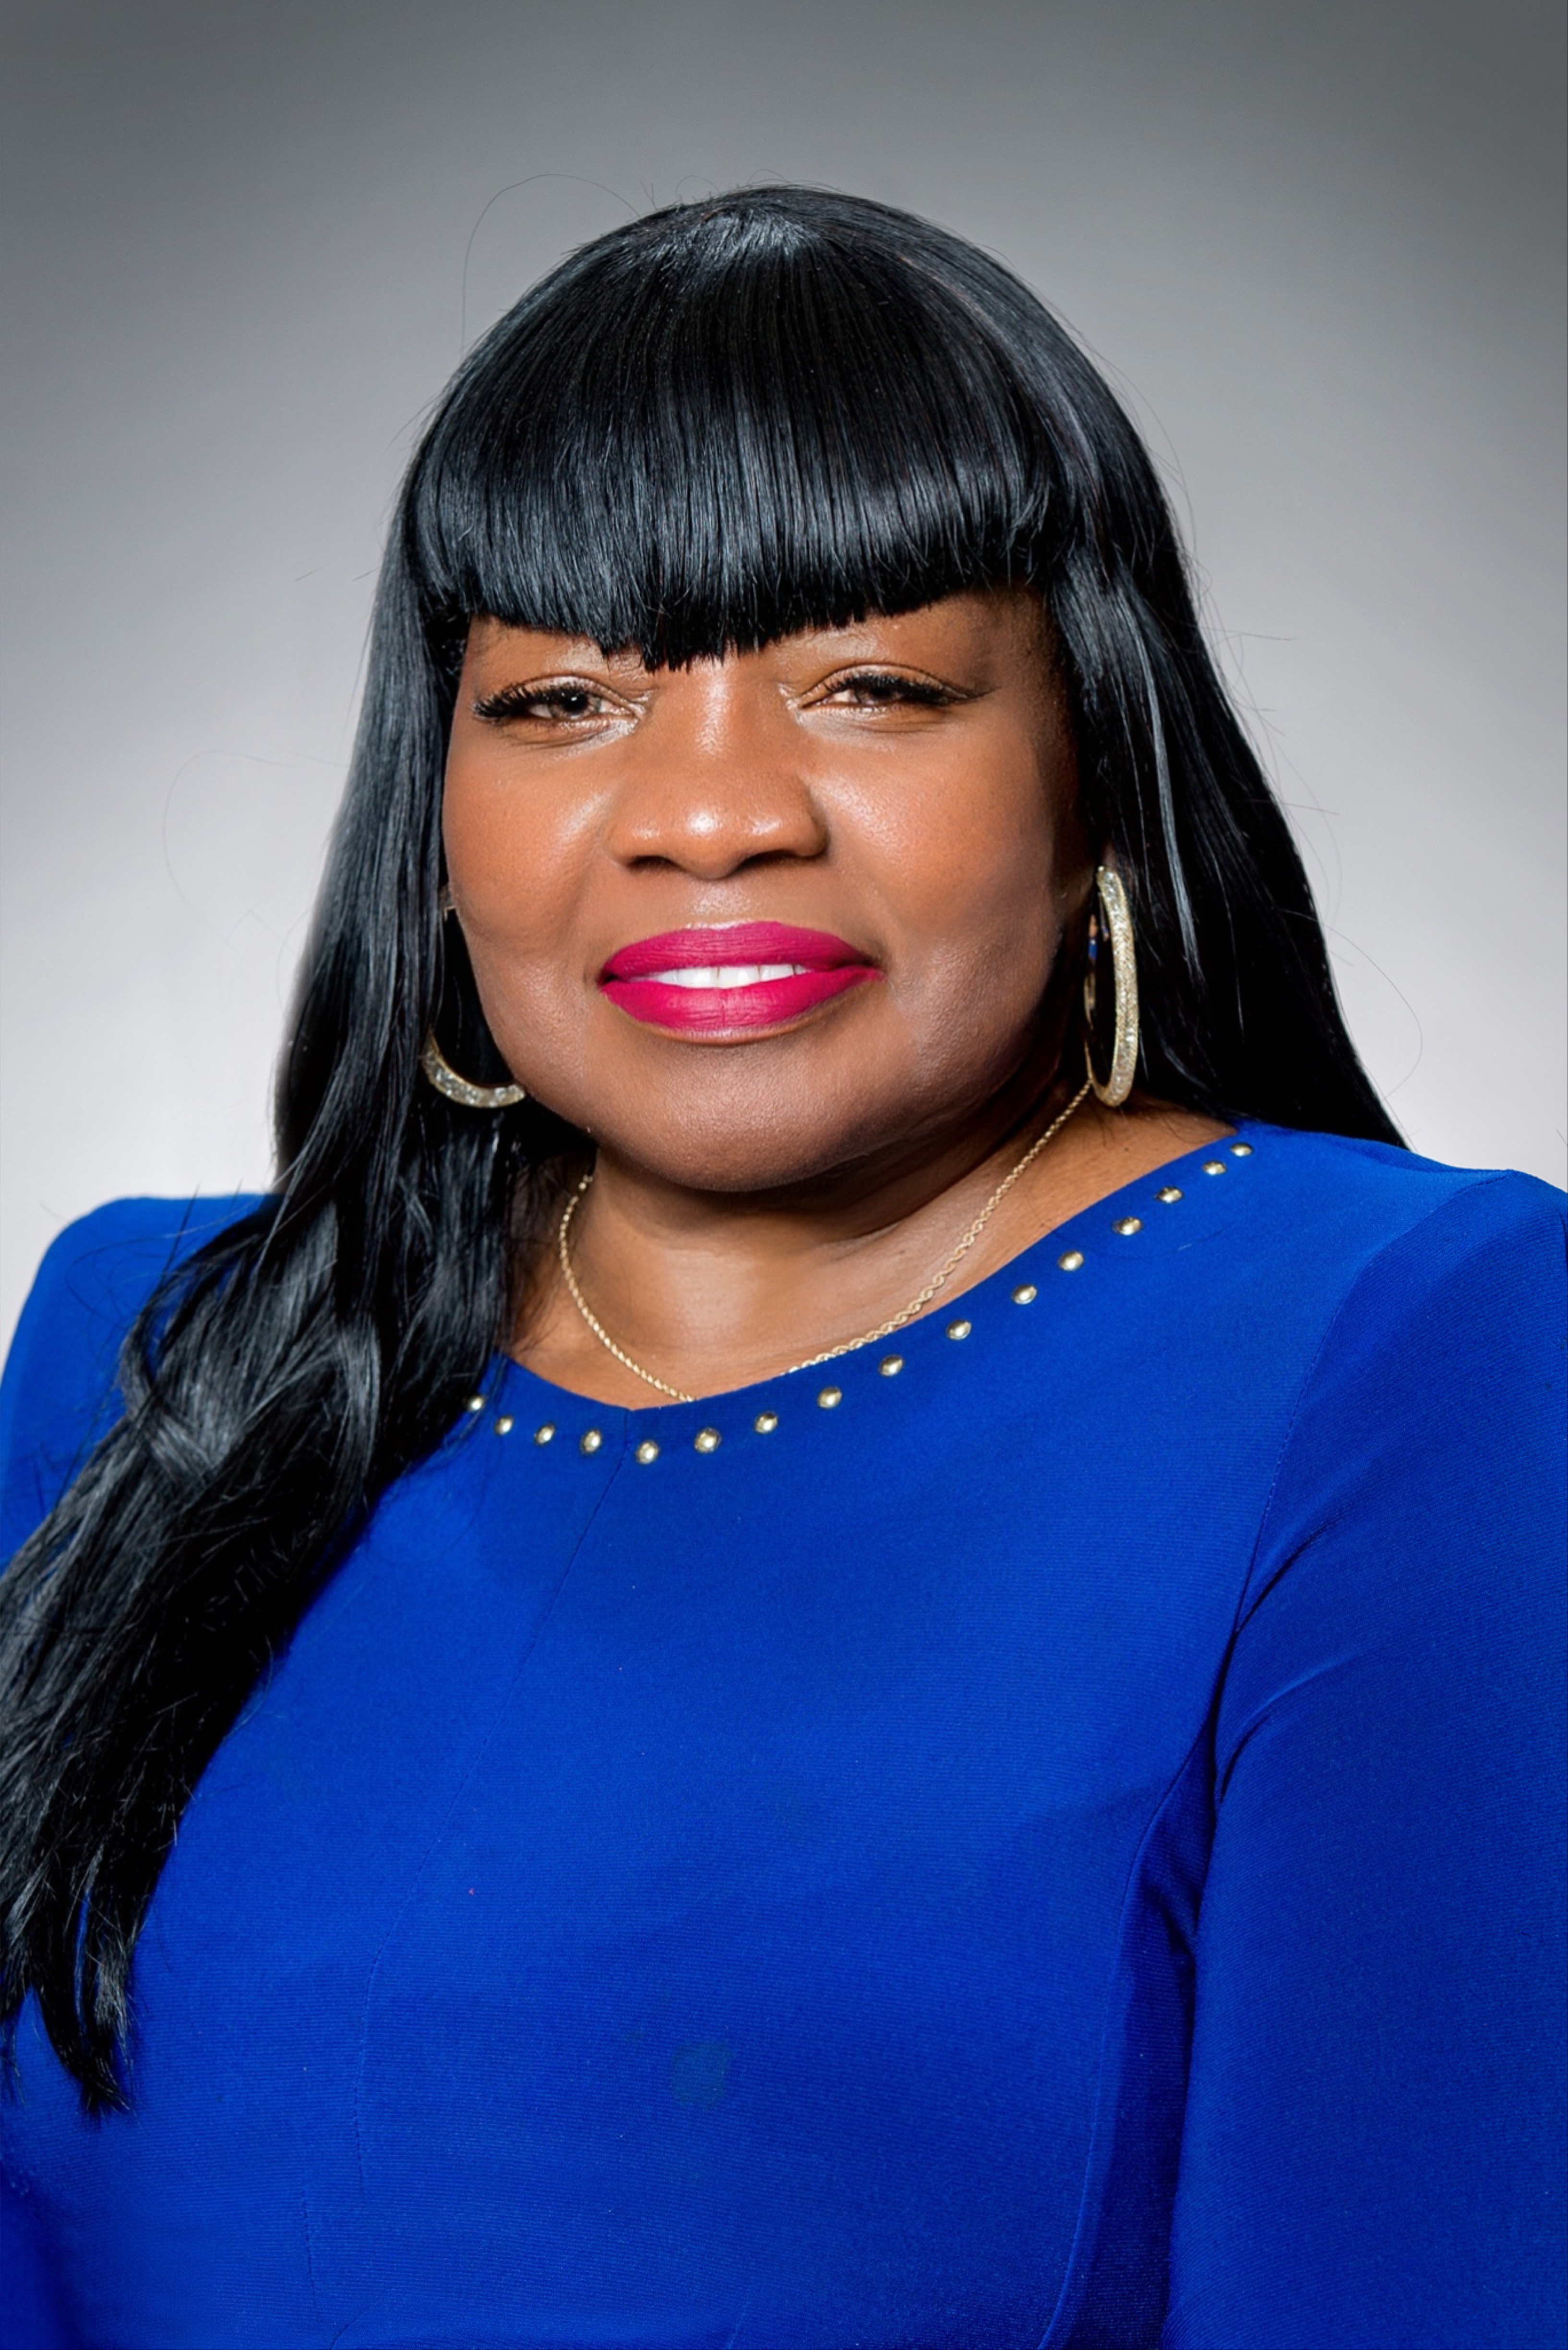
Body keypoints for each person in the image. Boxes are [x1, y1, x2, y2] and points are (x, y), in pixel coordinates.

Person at [0, 187, 1561, 2350]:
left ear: (1091, 768)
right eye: (562, 702)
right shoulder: (156, 1355)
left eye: (872, 683)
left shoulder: (1406, 1345)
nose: (712, 812)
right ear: (434, 816)